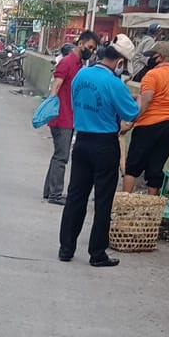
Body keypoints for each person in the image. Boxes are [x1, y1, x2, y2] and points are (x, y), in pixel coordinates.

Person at [58, 43, 142, 267]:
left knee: (76, 196)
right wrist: (139, 100)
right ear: (120, 62)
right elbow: (131, 113)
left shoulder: (81, 74)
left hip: (82, 140)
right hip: (105, 144)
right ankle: (97, 253)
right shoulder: (114, 83)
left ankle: (66, 248)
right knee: (103, 201)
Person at [43, 29, 99, 206]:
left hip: (69, 117)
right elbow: (56, 86)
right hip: (62, 117)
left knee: (58, 155)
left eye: (94, 49)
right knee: (62, 156)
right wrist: (51, 109)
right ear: (81, 43)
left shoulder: (79, 65)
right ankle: (55, 194)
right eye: (90, 47)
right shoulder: (67, 63)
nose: (91, 51)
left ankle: (50, 191)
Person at [122, 41, 169, 196]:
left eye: (152, 56)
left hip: (147, 126)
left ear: (161, 57)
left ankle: (123, 207)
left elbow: (147, 100)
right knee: (155, 171)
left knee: (132, 167)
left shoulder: (152, 75)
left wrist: (131, 123)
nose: (150, 59)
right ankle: (150, 214)